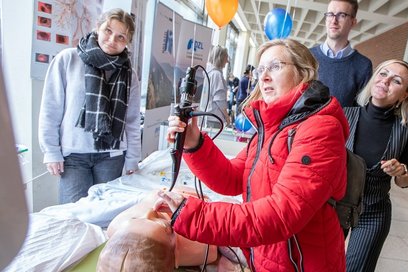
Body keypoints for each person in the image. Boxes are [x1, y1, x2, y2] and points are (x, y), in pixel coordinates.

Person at [156, 38, 349, 271]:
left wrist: (193, 216)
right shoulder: (272, 129)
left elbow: (281, 214)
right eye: (261, 69)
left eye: (275, 66)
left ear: (303, 73)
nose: (264, 77)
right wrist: (194, 143)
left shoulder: (320, 129)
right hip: (269, 257)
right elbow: (233, 178)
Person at [38, 8, 141, 204]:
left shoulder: (129, 74)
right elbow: (51, 109)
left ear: (127, 42)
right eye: (108, 31)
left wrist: (133, 159)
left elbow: (132, 120)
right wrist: (51, 151)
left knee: (106, 215)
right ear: (97, 28)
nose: (112, 40)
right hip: (74, 156)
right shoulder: (68, 59)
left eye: (121, 37)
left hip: (112, 155)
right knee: (73, 217)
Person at [343, 59, 408, 272]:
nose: (385, 81)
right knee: (320, 264)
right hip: (334, 206)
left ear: (405, 94)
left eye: (395, 80)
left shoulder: (406, 130)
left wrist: (401, 171)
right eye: (383, 73)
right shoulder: (343, 115)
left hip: (373, 211)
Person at [97, 187, 219, 271]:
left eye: (135, 219)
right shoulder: (200, 248)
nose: (150, 211)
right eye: (162, 224)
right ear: (175, 252)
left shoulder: (116, 226)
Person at [310, 0, 372, 107]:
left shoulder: (363, 65)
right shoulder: (306, 56)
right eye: (330, 14)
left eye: (341, 15)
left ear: (353, 22)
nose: (334, 20)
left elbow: (361, 110)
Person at [202, 45, 230, 129]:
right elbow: (219, 100)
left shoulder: (208, 73)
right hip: (214, 117)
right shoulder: (216, 75)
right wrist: (227, 117)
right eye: (226, 58)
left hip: (206, 115)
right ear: (221, 58)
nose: (227, 61)